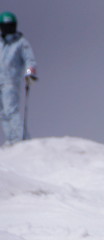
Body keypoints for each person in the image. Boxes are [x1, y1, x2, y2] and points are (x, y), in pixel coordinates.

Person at [0, 11, 37, 144]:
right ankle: (11, 139)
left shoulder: (21, 42)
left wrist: (29, 73)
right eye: (5, 26)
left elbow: (30, 60)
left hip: (10, 81)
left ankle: (22, 139)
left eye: (10, 26)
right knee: (2, 112)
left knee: (11, 110)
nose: (8, 29)